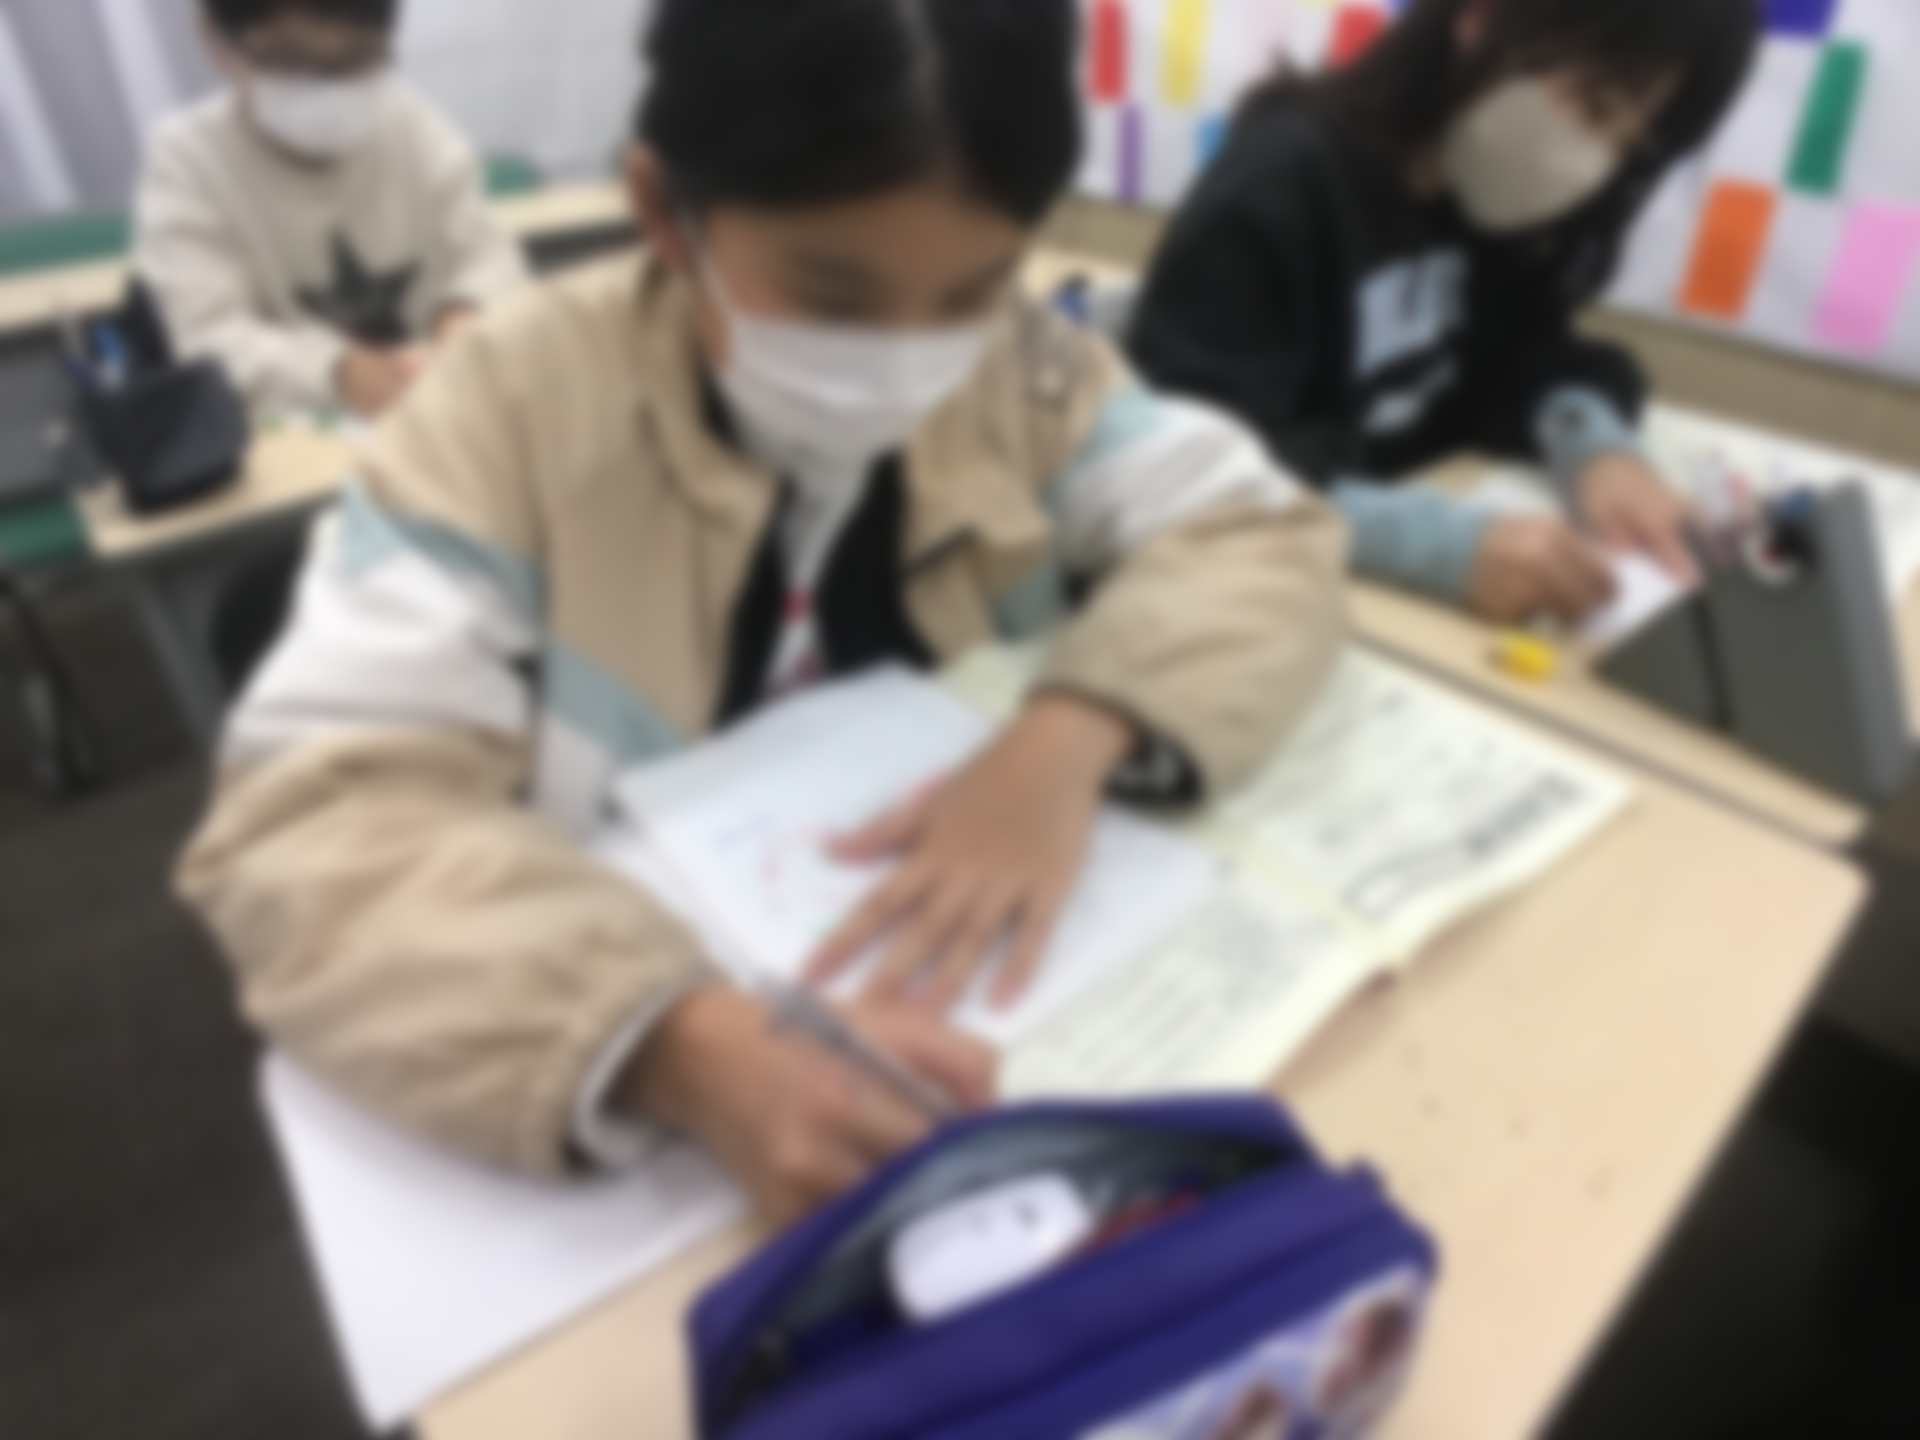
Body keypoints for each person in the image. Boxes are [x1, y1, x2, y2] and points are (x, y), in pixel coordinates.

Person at [176, 0, 1347, 1224]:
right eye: (833, 298)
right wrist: (671, 1043)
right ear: (663, 212)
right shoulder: (506, 409)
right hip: (657, 1091)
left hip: (1000, 1035)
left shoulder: (1022, 367)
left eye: (974, 289)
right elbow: (312, 827)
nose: (910, 358)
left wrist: (1068, 734)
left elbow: (1254, 530)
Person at [1128, 0, 1760, 626]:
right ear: (1481, 17)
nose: (1593, 163)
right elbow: (1181, 471)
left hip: (1385, 605)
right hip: (1252, 599)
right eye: (1594, 106)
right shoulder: (1284, 181)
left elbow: (1528, 356)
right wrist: (1436, 546)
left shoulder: (1487, 200)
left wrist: (1594, 446)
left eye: (1628, 140)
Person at [134, 0, 527, 419]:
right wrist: (337, 371)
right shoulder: (189, 160)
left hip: (432, 416)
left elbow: (491, 259)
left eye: (357, 58)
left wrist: (463, 315)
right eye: (290, 61)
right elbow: (209, 337)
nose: (328, 88)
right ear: (216, 39)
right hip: (289, 428)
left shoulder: (413, 127)